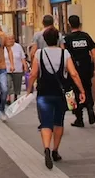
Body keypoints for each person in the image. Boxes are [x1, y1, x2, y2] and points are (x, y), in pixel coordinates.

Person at [27, 27, 86, 170]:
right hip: (61, 94)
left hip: (44, 93)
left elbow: (34, 73)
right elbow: (73, 74)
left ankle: (46, 148)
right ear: (58, 39)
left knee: (45, 123)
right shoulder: (65, 53)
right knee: (58, 122)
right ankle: (55, 151)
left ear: (45, 40)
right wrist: (81, 90)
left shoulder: (39, 53)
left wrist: (29, 90)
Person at [65, 15, 95, 127]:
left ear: (69, 24)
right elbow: (94, 54)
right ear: (79, 24)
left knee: (76, 92)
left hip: (74, 69)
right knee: (87, 89)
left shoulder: (67, 38)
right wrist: (94, 68)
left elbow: (64, 55)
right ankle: (90, 107)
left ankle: (79, 119)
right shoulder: (86, 36)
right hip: (86, 68)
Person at [5, 34, 28, 104]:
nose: (11, 40)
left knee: (17, 84)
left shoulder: (18, 46)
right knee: (7, 83)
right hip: (7, 69)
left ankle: (15, 96)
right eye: (9, 39)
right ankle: (8, 97)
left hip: (18, 68)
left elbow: (22, 57)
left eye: (12, 39)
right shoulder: (4, 47)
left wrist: (25, 66)